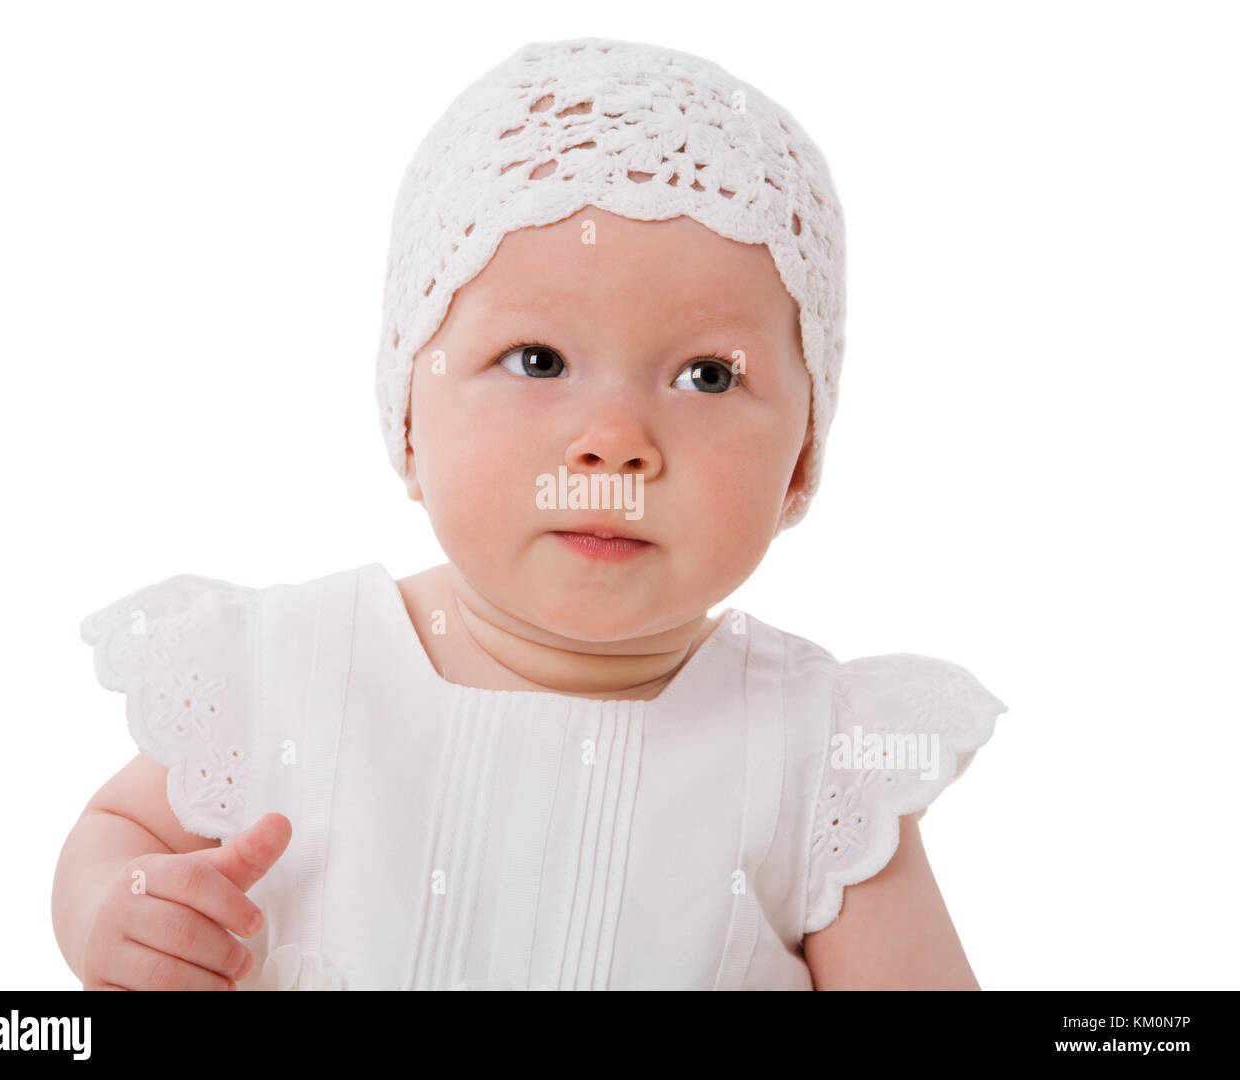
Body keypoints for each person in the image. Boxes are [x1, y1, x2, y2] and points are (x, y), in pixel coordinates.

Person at [52, 36, 1008, 990]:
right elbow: (121, 832)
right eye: (539, 360)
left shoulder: (813, 760)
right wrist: (116, 910)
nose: (614, 441)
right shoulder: (288, 673)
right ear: (412, 413)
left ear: (800, 456)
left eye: (707, 375)